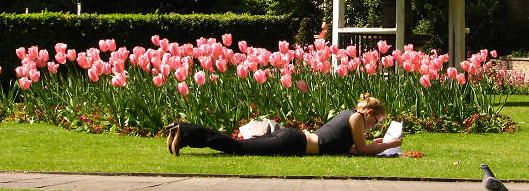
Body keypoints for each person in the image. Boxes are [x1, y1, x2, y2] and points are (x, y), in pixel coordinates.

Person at [165, 93, 402, 157]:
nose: (373, 126)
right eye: (376, 121)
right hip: (294, 142)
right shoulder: (357, 118)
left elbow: (345, 147)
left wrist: (376, 144)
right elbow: (362, 150)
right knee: (239, 148)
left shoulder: (351, 117)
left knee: (239, 146)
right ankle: (185, 131)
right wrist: (390, 144)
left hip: (294, 139)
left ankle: (183, 134)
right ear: (369, 113)